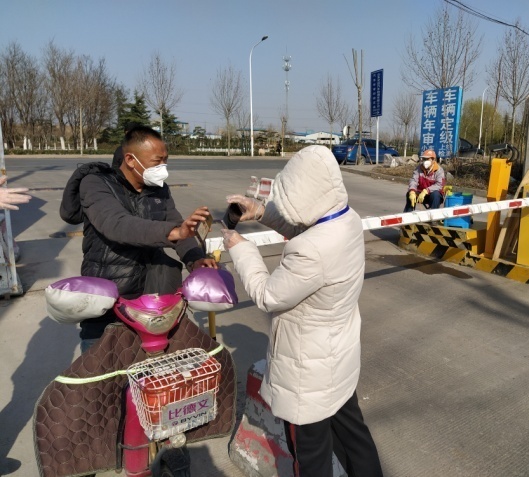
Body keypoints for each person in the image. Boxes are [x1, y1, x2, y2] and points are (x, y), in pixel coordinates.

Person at [221, 145, 383, 477]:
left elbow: (268, 296)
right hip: (337, 357)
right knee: (353, 436)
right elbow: (310, 226)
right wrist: (262, 211)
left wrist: (242, 250)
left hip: (308, 370)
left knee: (312, 453)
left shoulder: (311, 251)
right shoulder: (346, 219)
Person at [60, 125, 217, 353]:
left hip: (156, 298)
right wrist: (174, 232)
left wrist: (196, 259)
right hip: (111, 300)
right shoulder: (96, 183)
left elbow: (178, 226)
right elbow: (117, 224)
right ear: (131, 160)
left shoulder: (159, 189)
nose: (163, 168)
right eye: (157, 161)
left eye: (166, 161)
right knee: (104, 369)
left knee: (157, 370)